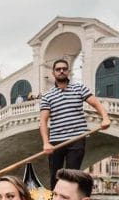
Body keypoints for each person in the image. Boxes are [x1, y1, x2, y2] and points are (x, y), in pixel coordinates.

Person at [39, 59, 111, 189]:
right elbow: (43, 121)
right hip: (56, 141)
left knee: (72, 175)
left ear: (68, 71)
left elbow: (96, 103)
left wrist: (105, 118)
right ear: (53, 72)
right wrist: (46, 142)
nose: (61, 71)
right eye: (58, 69)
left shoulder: (79, 88)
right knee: (55, 176)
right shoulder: (47, 96)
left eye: (64, 69)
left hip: (76, 138)